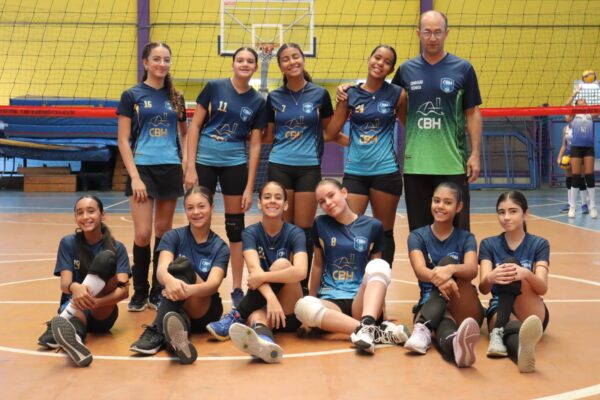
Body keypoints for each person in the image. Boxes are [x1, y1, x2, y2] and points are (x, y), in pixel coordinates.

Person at [184, 47, 267, 308]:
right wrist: (190, 166)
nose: (245, 64)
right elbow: (195, 126)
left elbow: (256, 145)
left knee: (235, 227)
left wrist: (250, 186)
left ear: (255, 66)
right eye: (240, 60)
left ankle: (236, 287)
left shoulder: (258, 101)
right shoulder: (214, 87)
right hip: (204, 160)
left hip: (235, 162)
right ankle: (199, 280)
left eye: (250, 61)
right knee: (199, 219)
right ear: (233, 63)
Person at [391, 10, 482, 232]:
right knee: (419, 231)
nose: (432, 38)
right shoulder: (405, 70)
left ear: (446, 33)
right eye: (427, 32)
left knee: (458, 231)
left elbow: (472, 113)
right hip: (416, 165)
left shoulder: (463, 68)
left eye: (438, 32)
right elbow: (397, 106)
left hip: (452, 163)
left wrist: (475, 154)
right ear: (418, 33)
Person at [293, 179, 409, 354]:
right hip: (331, 301)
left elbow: (376, 270)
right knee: (303, 306)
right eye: (321, 201)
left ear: (344, 192)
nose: (328, 203)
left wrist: (382, 308)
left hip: (361, 301)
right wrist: (312, 298)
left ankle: (367, 324)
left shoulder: (373, 226)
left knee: (380, 265)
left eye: (331, 195)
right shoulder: (320, 223)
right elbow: (317, 264)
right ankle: (373, 332)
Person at [117, 42, 188, 311]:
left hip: (170, 167)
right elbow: (123, 140)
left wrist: (185, 162)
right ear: (145, 63)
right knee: (143, 233)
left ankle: (159, 290)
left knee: (163, 231)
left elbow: (185, 132)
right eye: (156, 59)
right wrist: (135, 177)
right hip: (143, 168)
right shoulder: (132, 95)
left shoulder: (176, 97)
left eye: (166, 59)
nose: (162, 64)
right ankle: (140, 291)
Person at [206, 181, 307, 363]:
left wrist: (264, 277)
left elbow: (301, 271)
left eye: (278, 197)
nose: (272, 201)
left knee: (282, 263)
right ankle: (265, 342)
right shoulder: (250, 233)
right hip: (267, 307)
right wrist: (271, 298)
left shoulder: (295, 233)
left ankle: (237, 315)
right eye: (267, 197)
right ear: (259, 203)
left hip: (290, 309)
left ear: (285, 204)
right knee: (256, 317)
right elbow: (254, 269)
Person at [129, 186, 229, 364]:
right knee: (174, 319)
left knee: (182, 267)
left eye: (201, 206)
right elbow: (161, 270)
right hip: (177, 306)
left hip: (205, 308)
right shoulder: (173, 236)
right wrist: (170, 283)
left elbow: (213, 285)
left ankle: (155, 331)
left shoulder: (220, 247)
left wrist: (185, 290)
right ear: (185, 210)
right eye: (190, 208)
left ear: (212, 207)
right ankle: (174, 341)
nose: (196, 212)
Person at [264, 43, 335, 291]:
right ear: (280, 66)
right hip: (279, 165)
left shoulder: (320, 94)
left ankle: (301, 285)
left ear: (303, 60)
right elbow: (268, 134)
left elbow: (330, 129)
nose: (292, 62)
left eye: (296, 57)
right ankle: (282, 282)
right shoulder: (274, 97)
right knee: (284, 226)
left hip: (308, 167)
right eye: (285, 59)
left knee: (304, 229)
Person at [327, 45, 403, 268]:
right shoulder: (349, 94)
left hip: (386, 172)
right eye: (377, 58)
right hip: (355, 173)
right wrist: (354, 142)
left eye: (387, 62)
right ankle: (350, 280)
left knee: (384, 231)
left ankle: (381, 280)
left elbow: (411, 125)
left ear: (391, 69)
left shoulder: (398, 94)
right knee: (347, 228)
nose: (380, 63)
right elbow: (331, 133)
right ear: (369, 59)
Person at [37, 195, 131, 367]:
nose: (85, 217)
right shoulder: (68, 243)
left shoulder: (117, 247)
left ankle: (61, 323)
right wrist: (75, 287)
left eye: (91, 211)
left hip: (102, 309)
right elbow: (65, 284)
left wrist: (96, 302)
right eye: (80, 213)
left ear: (103, 215)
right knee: (77, 314)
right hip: (75, 304)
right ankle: (76, 341)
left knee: (107, 259)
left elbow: (124, 291)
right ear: (75, 218)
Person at [402, 182, 483, 368]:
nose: (440, 206)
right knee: (444, 324)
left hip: (463, 302)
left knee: (447, 262)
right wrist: (442, 280)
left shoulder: (466, 237)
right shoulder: (417, 236)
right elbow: (420, 270)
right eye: (436, 201)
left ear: (459, 207)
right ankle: (456, 348)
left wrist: (450, 269)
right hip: (431, 304)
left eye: (447, 202)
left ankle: (423, 326)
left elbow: (472, 269)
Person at [479, 190, 548, 373]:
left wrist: (526, 274)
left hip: (530, 307)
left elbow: (542, 288)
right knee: (511, 330)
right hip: (500, 306)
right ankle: (521, 352)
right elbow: (483, 288)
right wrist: (491, 277)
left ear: (526, 214)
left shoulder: (539, 244)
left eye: (513, 211)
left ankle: (497, 331)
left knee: (510, 264)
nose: (506, 217)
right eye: (501, 212)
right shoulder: (488, 244)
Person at [564, 88, 597, 218]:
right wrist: (575, 93)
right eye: (581, 99)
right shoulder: (573, 115)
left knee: (589, 176)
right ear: (577, 104)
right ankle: (572, 207)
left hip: (588, 148)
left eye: (584, 100)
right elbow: (566, 106)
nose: (583, 100)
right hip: (576, 148)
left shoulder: (590, 114)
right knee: (576, 176)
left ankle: (592, 207)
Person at [557, 123, 589, 214]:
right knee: (569, 178)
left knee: (580, 178)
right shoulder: (565, 128)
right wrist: (559, 157)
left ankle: (584, 204)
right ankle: (570, 204)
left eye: (567, 115)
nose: (565, 116)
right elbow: (564, 145)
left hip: (579, 154)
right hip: (568, 155)